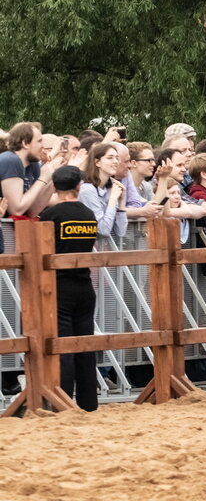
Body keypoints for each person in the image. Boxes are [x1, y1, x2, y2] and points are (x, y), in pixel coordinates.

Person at [38, 166, 100, 411]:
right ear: (78, 186)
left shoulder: (51, 216)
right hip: (84, 285)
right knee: (85, 345)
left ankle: (62, 401)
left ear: (54, 188)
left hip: (59, 286)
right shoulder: (88, 214)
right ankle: (89, 402)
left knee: (62, 347)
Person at [1, 122, 58, 218]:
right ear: (25, 143)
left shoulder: (33, 165)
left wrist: (51, 180)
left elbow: (32, 212)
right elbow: (16, 210)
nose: (43, 146)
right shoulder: (11, 160)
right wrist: (42, 179)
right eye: (39, 141)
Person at [78, 143, 128, 241]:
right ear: (97, 162)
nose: (115, 161)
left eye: (117, 158)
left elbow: (121, 232)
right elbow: (103, 230)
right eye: (110, 158)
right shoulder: (87, 189)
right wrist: (113, 200)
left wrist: (122, 202)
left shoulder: (110, 188)